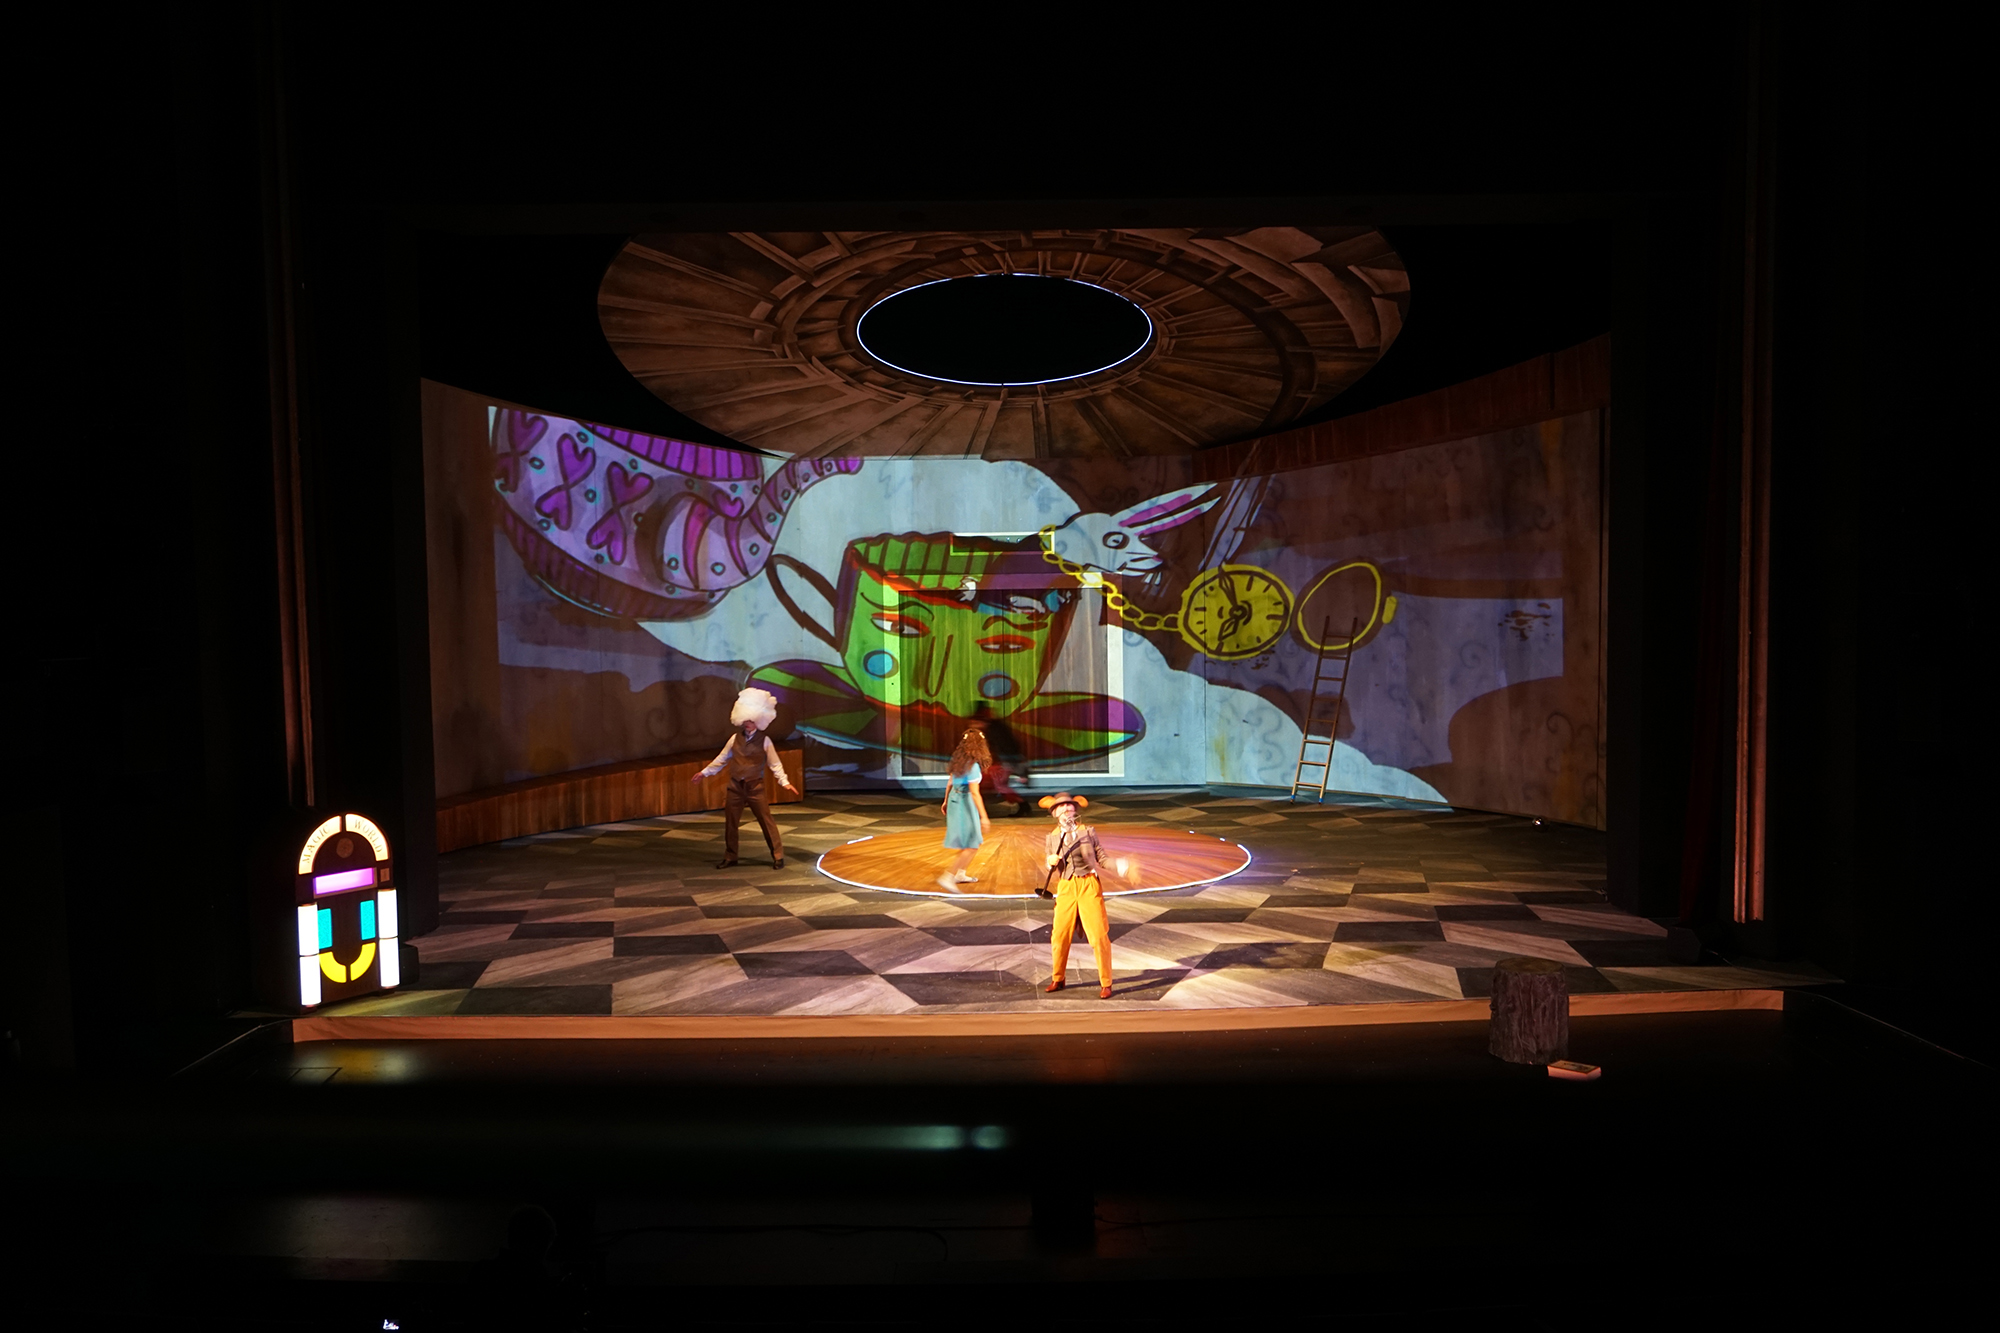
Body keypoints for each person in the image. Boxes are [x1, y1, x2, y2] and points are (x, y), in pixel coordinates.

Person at [693, 687, 797, 868]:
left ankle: (777, 855)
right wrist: (704, 773)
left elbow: (775, 763)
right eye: (746, 719)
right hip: (735, 787)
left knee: (766, 821)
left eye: (752, 719)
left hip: (755, 787)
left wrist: (784, 782)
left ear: (760, 719)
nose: (748, 723)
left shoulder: (765, 740)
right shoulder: (734, 739)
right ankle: (730, 856)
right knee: (731, 823)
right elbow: (722, 759)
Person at [1041, 792, 1114, 998]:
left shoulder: (1087, 831)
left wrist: (1119, 866)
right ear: (1055, 813)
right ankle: (1058, 978)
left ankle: (1106, 982)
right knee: (1059, 935)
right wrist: (1050, 862)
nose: (1066, 809)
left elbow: (1101, 857)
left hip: (1088, 884)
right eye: (1061, 807)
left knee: (1098, 935)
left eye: (1069, 806)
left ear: (1075, 810)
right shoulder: (1052, 837)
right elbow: (1049, 863)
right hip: (1066, 886)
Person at [936, 729, 992, 893]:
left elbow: (950, 782)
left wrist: (946, 800)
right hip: (964, 803)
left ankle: (960, 874)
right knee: (972, 844)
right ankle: (948, 876)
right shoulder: (972, 766)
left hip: (955, 799)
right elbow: (974, 793)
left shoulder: (959, 761)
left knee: (972, 841)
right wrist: (984, 817)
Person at [971, 703, 1029, 816]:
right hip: (1006, 760)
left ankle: (1023, 805)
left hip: (1005, 760)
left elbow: (998, 746)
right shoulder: (996, 727)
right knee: (995, 785)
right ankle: (1023, 805)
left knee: (999, 785)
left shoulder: (993, 729)